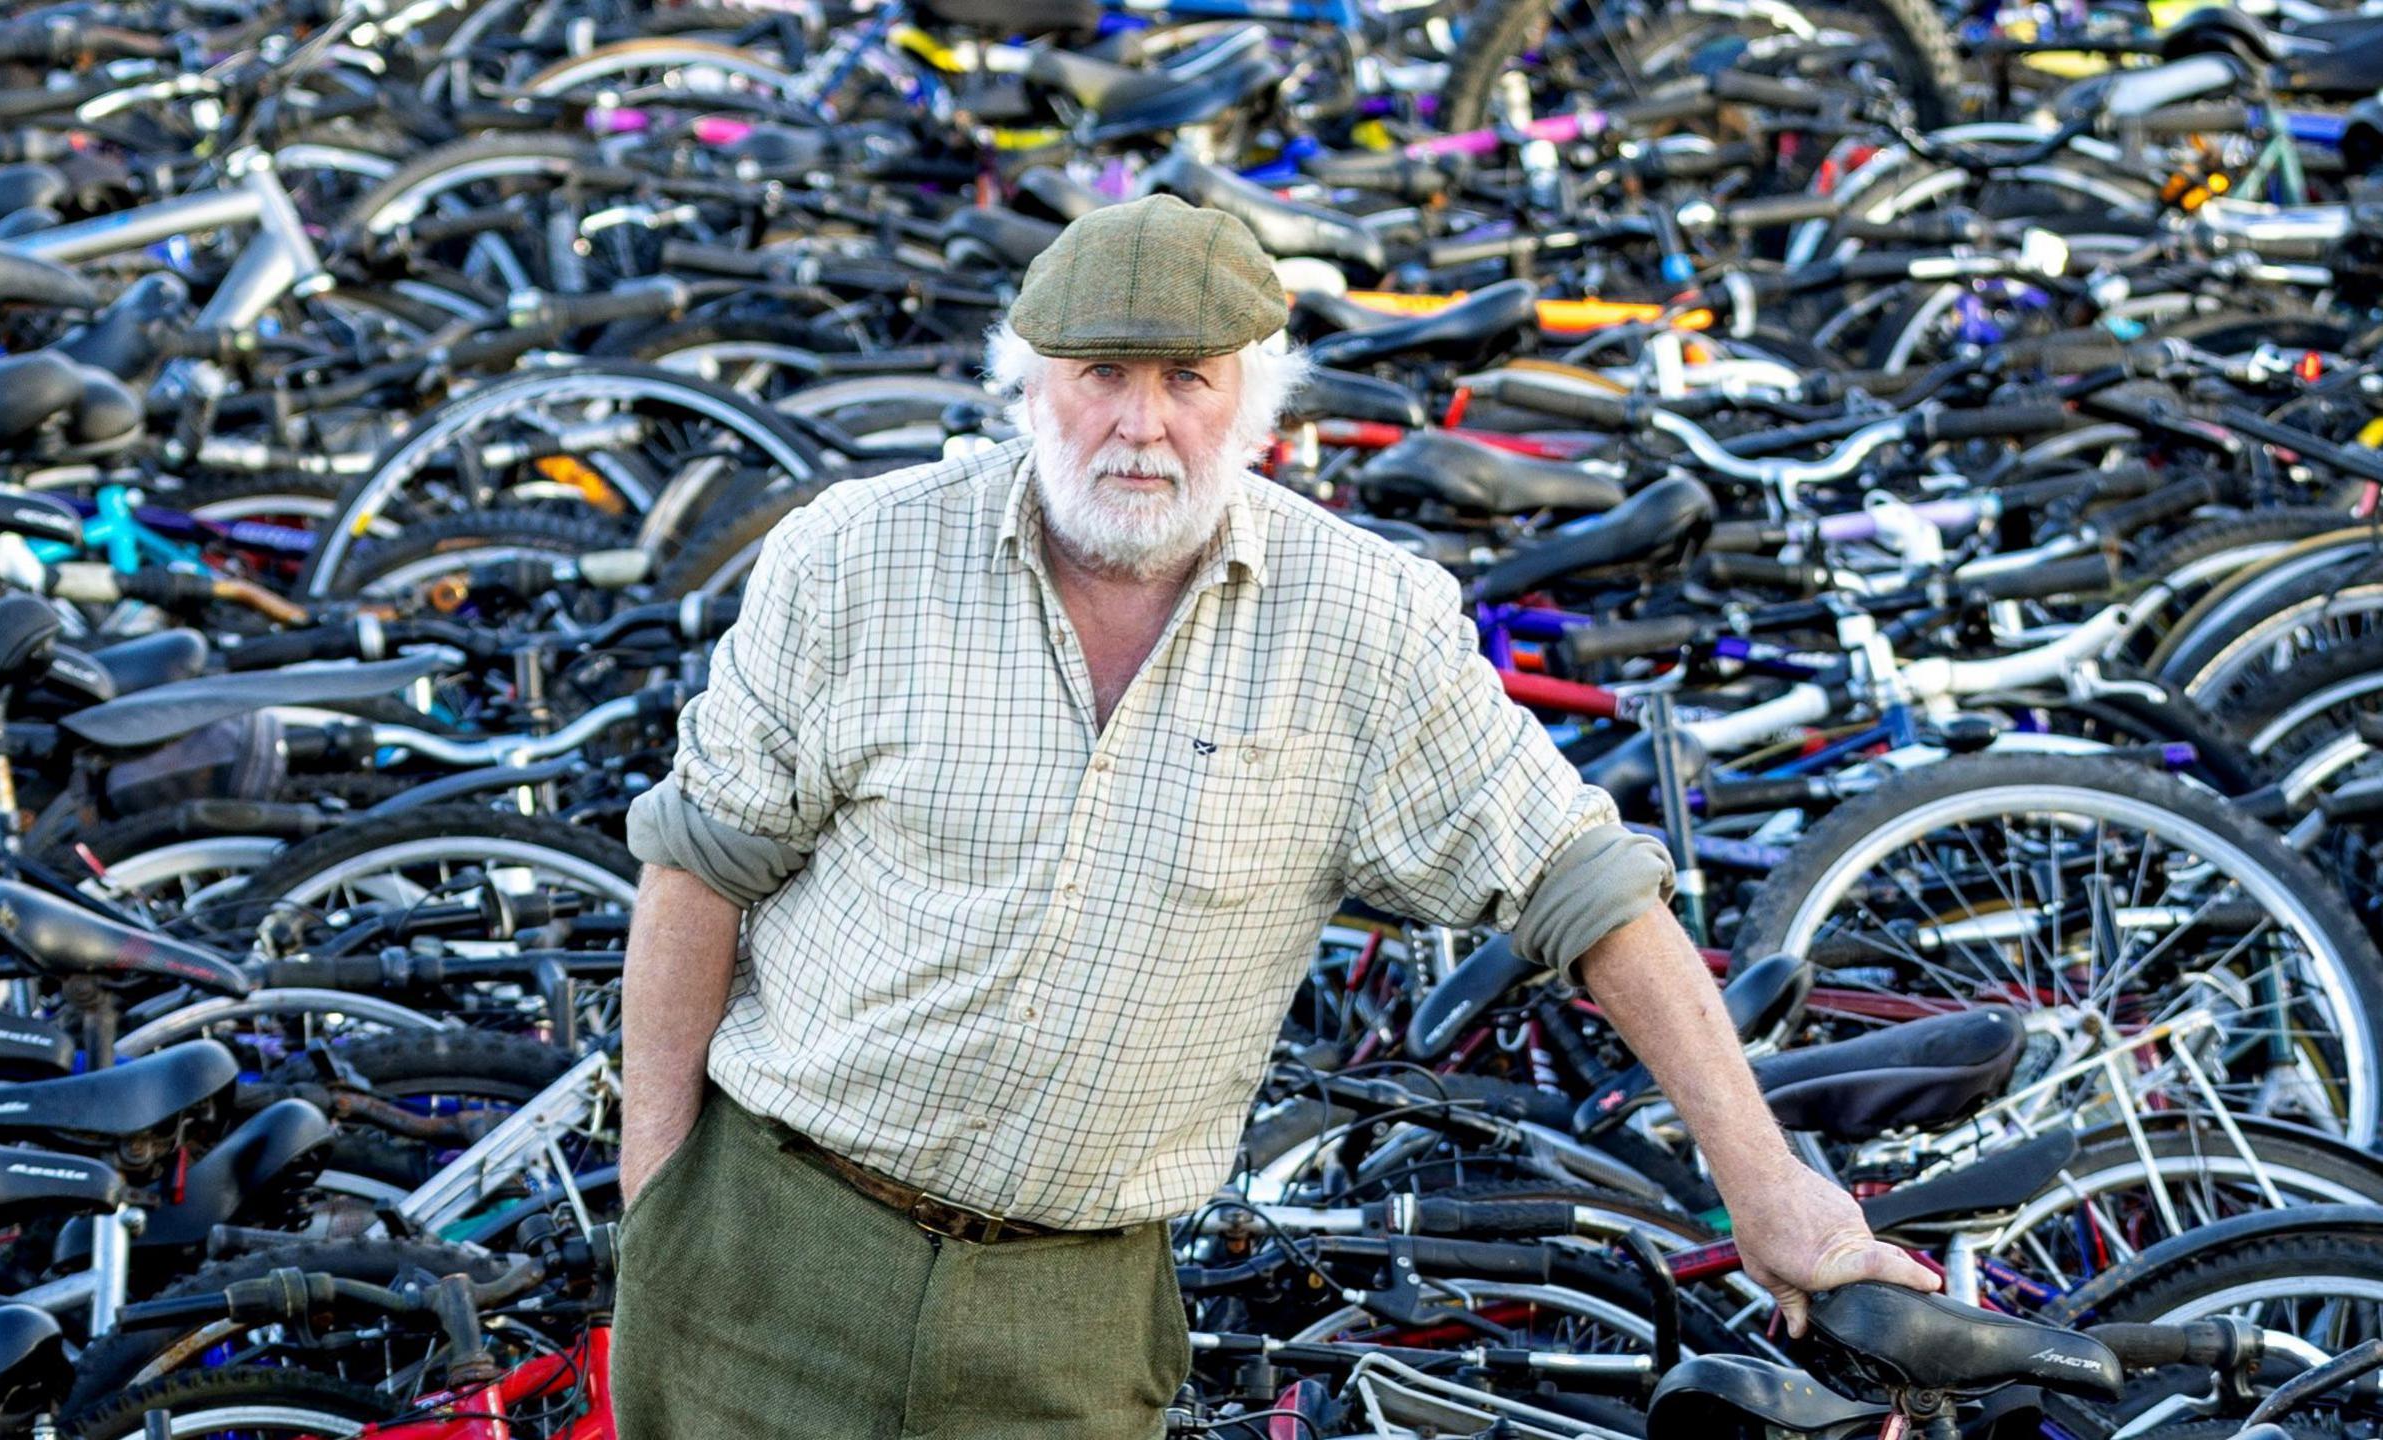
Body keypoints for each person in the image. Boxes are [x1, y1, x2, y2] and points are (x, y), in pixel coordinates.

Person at [610, 194, 1935, 1439]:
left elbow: (1583, 882)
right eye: (1100, 375)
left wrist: (1771, 1192)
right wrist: (657, 1204)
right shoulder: (855, 555)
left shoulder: (1359, 619)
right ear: (1025, 384)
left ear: (1256, 402)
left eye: (1188, 378)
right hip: (766, 1251)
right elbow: (700, 869)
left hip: (1067, 1321)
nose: (1142, 426)